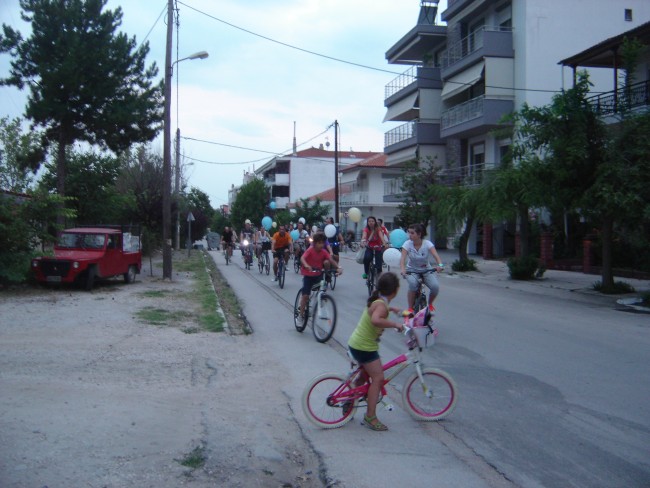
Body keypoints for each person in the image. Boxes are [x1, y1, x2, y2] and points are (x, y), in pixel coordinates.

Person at [347, 272, 403, 431]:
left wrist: (392, 309)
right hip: (364, 347)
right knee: (378, 378)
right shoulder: (381, 305)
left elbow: (378, 310)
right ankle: (370, 417)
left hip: (356, 343)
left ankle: (349, 402)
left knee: (364, 376)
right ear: (395, 291)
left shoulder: (378, 300)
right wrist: (395, 324)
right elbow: (376, 319)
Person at [399, 223, 444, 312]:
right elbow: (402, 258)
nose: (410, 235)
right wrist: (403, 270)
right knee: (413, 285)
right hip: (412, 270)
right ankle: (410, 308)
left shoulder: (427, 244)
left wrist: (440, 265)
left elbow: (436, 256)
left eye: (412, 233)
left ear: (419, 234)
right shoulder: (407, 244)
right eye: (409, 232)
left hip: (426, 270)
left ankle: (430, 304)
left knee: (435, 287)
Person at [298, 232, 342, 317]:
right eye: (319, 243)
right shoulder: (310, 250)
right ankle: (300, 315)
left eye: (323, 243)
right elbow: (302, 258)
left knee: (322, 287)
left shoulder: (324, 252)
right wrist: (306, 265)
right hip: (308, 275)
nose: (321, 245)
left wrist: (338, 267)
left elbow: (331, 260)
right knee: (305, 296)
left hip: (318, 275)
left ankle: (321, 300)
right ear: (314, 243)